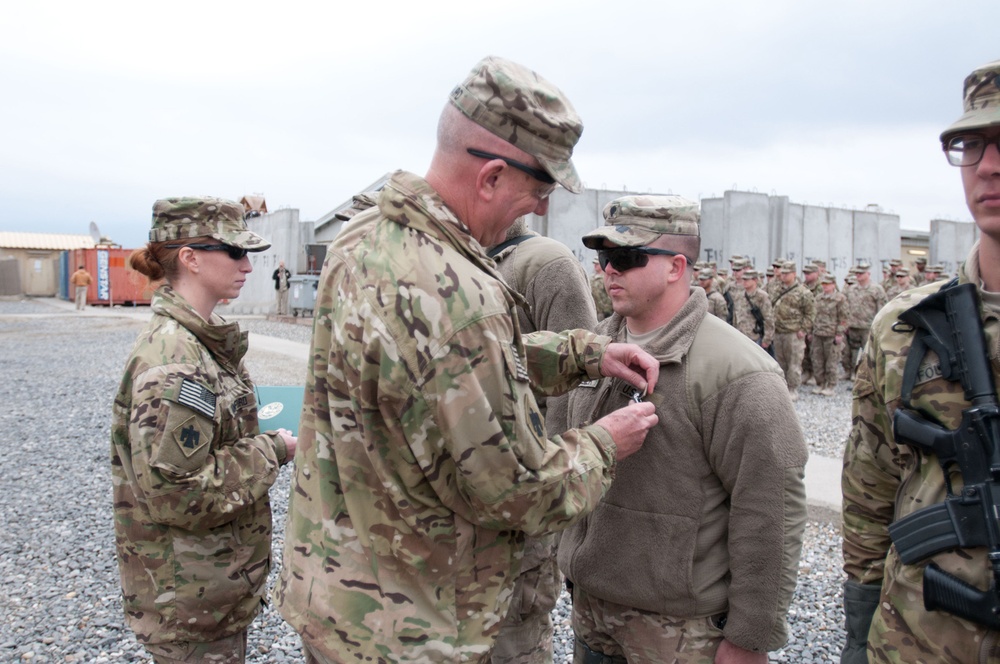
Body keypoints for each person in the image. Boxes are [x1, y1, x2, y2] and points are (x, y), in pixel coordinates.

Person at [273, 55, 660, 664]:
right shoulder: (461, 296)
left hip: (337, 596)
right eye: (540, 191)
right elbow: (517, 490)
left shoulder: (364, 235)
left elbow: (428, 371)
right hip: (414, 626)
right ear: (492, 177)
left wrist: (583, 354)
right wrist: (607, 442)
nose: (537, 209)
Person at [558, 195, 808, 663]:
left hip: (680, 633)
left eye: (627, 257)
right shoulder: (595, 348)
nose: (610, 270)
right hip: (592, 613)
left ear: (676, 267)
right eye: (604, 258)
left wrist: (750, 636)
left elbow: (770, 507)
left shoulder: (737, 371)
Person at [842, 57, 1000, 664]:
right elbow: (870, 486)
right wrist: (859, 619)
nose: (987, 165)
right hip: (918, 640)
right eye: (970, 145)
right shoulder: (905, 327)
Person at [111, 196, 297, 663]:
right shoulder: (175, 359)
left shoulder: (200, 340)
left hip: (210, 591)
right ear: (191, 259)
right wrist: (271, 450)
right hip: (190, 604)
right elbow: (178, 491)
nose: (248, 266)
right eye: (234, 252)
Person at [487, 216, 598, 664]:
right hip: (476, 488)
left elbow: (578, 385)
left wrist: (552, 482)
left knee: (516, 634)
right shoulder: (464, 258)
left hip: (525, 494)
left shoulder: (546, 263)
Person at [771, 261, 815, 401]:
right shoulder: (776, 289)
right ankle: (782, 387)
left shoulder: (803, 292)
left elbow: (810, 313)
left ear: (794, 274)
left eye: (786, 273)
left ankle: (792, 388)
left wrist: (804, 329)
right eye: (782, 273)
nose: (783, 276)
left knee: (794, 362)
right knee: (781, 361)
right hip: (778, 331)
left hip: (793, 332)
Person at [842, 263, 885, 379]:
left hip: (868, 326)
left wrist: (879, 326)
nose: (858, 275)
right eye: (857, 273)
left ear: (868, 274)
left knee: (869, 352)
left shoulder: (876, 289)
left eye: (861, 273)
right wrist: (845, 323)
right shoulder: (851, 289)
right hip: (853, 326)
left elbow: (882, 309)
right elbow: (845, 307)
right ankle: (853, 373)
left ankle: (869, 375)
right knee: (852, 352)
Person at [808, 275, 846, 396]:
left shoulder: (840, 299)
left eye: (828, 284)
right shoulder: (818, 298)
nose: (825, 286)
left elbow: (843, 317)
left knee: (831, 362)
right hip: (818, 333)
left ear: (833, 285)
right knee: (817, 360)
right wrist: (810, 331)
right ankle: (820, 384)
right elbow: (813, 315)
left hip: (831, 334)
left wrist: (839, 333)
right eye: (823, 284)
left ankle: (830, 385)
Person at [732, 269, 774, 351]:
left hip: (755, 337)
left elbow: (769, 319)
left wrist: (767, 339)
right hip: (740, 336)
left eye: (747, 279)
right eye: (743, 279)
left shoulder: (762, 296)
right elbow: (735, 316)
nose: (744, 282)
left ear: (755, 280)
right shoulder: (739, 296)